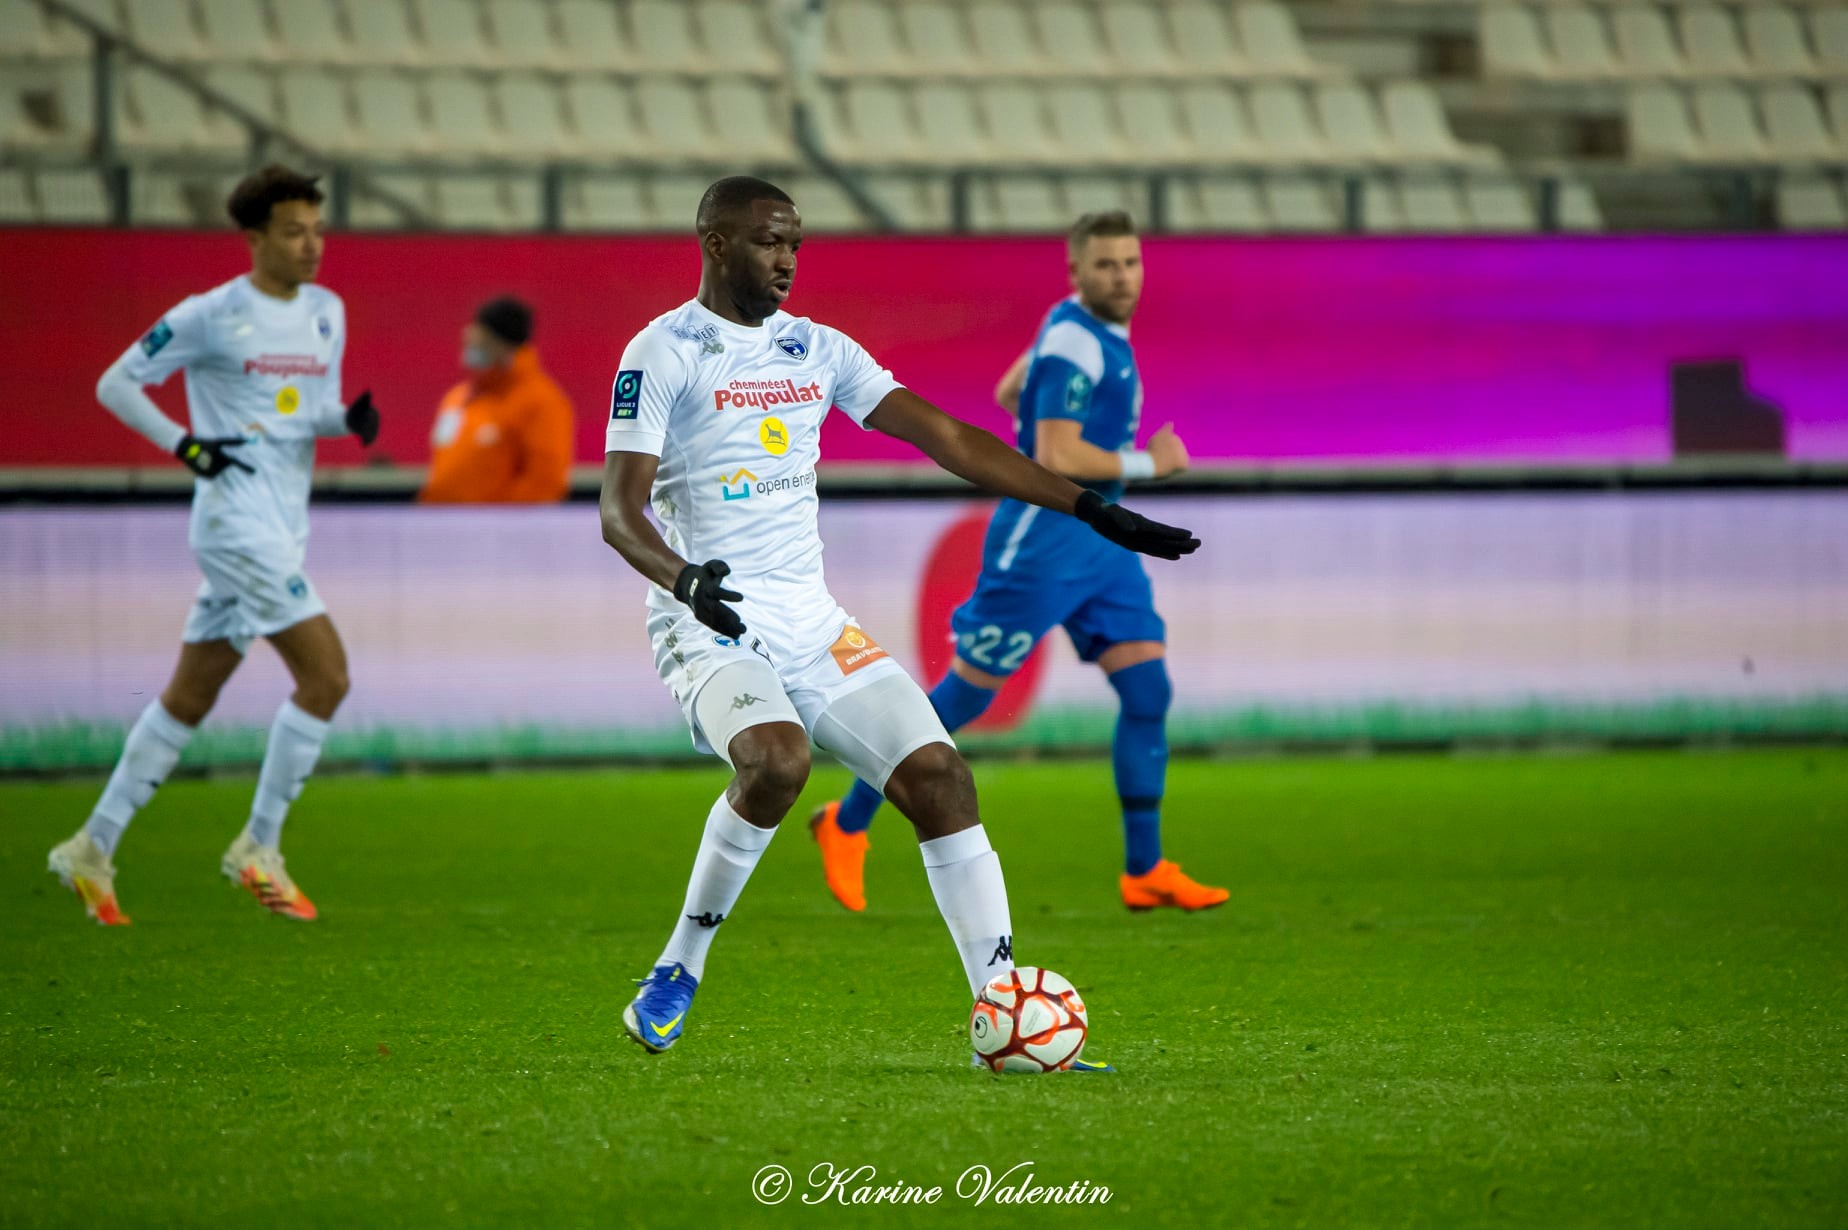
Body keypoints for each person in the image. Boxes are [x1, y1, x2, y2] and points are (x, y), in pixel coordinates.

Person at [600, 177, 1199, 1059]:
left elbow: (949, 437)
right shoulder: (664, 351)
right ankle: (678, 968)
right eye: (768, 242)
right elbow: (619, 513)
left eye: (795, 244)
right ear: (716, 244)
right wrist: (686, 583)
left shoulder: (816, 349)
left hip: (812, 621)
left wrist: (1090, 507)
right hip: (708, 621)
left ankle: (1004, 1010)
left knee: (941, 778)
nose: (787, 261)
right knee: (777, 762)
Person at [810, 211, 1228, 915]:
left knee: (1147, 690)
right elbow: (1057, 455)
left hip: (1101, 549)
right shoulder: (1075, 340)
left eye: (1130, 262)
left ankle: (1145, 868)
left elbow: (1012, 394)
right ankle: (845, 823)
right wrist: (1148, 464)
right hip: (1042, 541)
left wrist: (1042, 423)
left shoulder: (1075, 329)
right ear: (1077, 271)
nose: (1121, 277)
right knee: (966, 697)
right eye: (1105, 265)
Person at [46, 164, 381, 926]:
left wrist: (345, 421)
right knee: (326, 676)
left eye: (317, 231)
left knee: (190, 696)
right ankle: (259, 847)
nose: (311, 245)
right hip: (235, 524)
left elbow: (303, 409)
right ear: (255, 237)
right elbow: (116, 382)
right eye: (293, 232)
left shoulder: (326, 312)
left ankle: (90, 847)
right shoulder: (209, 314)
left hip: (282, 525)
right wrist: (186, 445)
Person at [419, 296, 574, 504]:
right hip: (439, 520)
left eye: (481, 340)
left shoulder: (540, 402)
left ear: (504, 345)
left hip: (492, 524)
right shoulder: (457, 398)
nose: (470, 346)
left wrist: (498, 521)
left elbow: (544, 483)